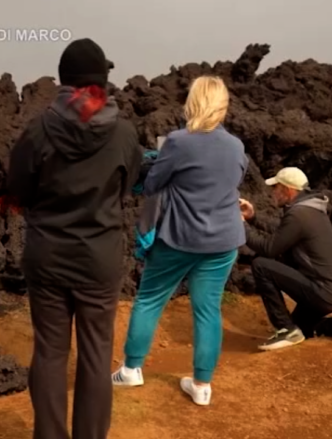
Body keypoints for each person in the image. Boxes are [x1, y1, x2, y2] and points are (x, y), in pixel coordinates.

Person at [6, 38, 143, 439]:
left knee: (49, 352)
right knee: (97, 356)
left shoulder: (38, 129)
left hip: (47, 256)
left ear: (63, 80)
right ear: (102, 81)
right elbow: (127, 186)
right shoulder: (123, 134)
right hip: (99, 259)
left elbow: (19, 188)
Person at [111, 76, 247, 407]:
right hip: (224, 241)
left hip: (180, 238)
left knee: (150, 300)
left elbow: (155, 182)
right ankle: (202, 385)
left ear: (193, 102)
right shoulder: (236, 146)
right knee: (207, 309)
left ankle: (131, 370)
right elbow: (233, 180)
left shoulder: (178, 141)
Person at [239, 168, 332, 352]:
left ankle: (285, 329)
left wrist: (241, 225)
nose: (273, 193)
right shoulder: (309, 209)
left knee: (261, 265)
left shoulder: (299, 214)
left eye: (276, 188)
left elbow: (269, 248)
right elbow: (283, 231)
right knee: (302, 329)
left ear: (288, 190)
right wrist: (253, 218)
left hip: (320, 292)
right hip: (331, 292)